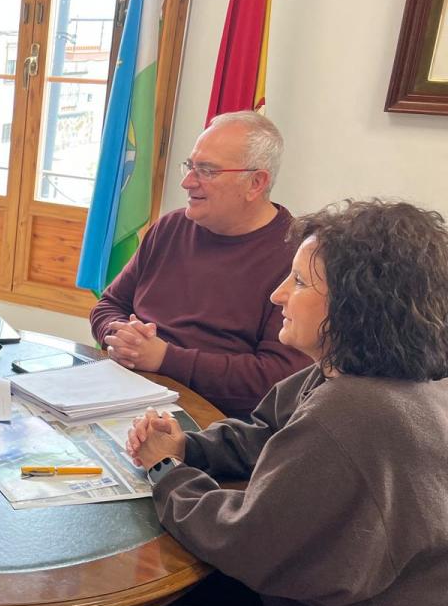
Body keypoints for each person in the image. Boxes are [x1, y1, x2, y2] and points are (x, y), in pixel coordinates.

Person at [79, 199, 448, 606]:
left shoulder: (355, 414)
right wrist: (190, 445)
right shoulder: (366, 376)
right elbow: (264, 434)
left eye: (300, 282)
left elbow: (244, 543)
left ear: (355, 307)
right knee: (167, 600)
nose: (278, 294)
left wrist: (168, 472)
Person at [89, 111, 308, 418]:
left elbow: (279, 377)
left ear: (256, 183)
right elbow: (109, 304)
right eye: (191, 165)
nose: (187, 181)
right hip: (126, 392)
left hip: (217, 424)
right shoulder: (170, 228)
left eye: (206, 171)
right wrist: (121, 336)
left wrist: (165, 359)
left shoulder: (300, 256)